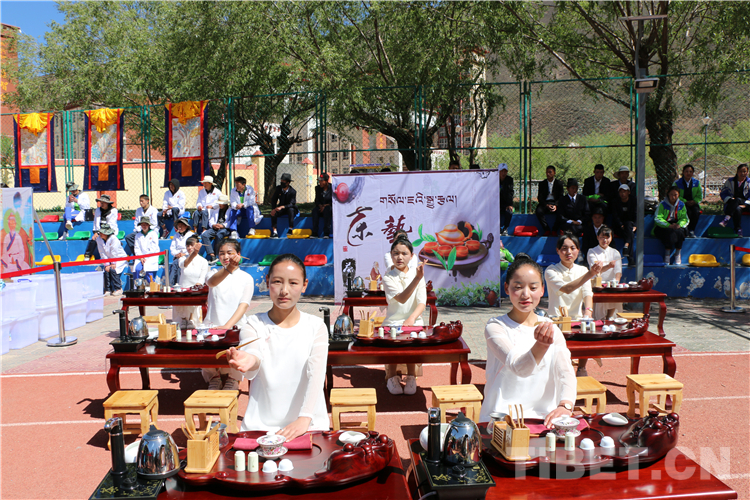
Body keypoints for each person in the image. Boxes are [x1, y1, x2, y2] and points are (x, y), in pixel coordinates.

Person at [226, 254, 328, 439]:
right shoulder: (253, 324)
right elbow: (254, 353)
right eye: (277, 282)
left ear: (304, 285)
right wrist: (248, 359)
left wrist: (304, 418)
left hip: (309, 425)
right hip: (261, 427)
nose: (284, 290)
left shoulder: (316, 326)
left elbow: (317, 375)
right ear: (267, 281)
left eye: (293, 283)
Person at [479, 256, 576, 426]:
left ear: (542, 290)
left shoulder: (551, 328)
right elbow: (519, 367)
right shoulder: (496, 327)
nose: (526, 294)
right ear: (506, 288)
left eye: (533, 287)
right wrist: (541, 345)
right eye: (518, 287)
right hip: (502, 419)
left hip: (545, 419)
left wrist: (565, 405)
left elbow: (566, 372)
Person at [545, 233, 604, 377]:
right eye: (564, 248)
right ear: (558, 251)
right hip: (557, 320)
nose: (569, 252)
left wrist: (588, 312)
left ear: (578, 250)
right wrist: (591, 274)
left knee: (588, 332)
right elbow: (567, 289)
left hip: (577, 318)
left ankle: (582, 367)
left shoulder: (582, 270)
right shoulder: (551, 271)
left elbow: (587, 293)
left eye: (573, 248)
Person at [204, 238, 254, 391]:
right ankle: (214, 377)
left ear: (238, 254)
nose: (225, 256)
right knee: (207, 351)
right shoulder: (213, 273)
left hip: (235, 325)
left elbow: (243, 305)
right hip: (212, 323)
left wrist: (227, 326)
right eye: (221, 253)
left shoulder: (246, 278)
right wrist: (229, 268)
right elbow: (212, 283)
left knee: (237, 350)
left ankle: (233, 379)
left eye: (229, 253)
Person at [382, 236, 427, 395]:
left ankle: (411, 376)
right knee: (393, 344)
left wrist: (412, 318)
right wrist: (417, 279)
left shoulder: (418, 274)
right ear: (391, 255)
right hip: (393, 321)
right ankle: (391, 377)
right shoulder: (388, 276)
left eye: (404, 253)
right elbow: (401, 298)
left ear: (412, 256)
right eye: (395, 253)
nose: (399, 257)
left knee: (412, 344)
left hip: (414, 320)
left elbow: (422, 302)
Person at [586, 226, 622, 320]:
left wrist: (616, 282)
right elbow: (595, 270)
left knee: (614, 295)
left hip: (611, 285)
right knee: (598, 316)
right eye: (602, 237)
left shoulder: (615, 252)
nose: (605, 240)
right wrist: (608, 266)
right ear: (597, 237)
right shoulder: (592, 252)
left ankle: (610, 316)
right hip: (598, 285)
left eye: (607, 237)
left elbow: (618, 271)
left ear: (611, 238)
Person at [172, 236, 209, 325]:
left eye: (192, 245)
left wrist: (197, 287)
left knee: (194, 311)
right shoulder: (182, 258)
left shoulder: (203, 261)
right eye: (187, 245)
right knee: (181, 309)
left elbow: (202, 277)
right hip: (183, 289)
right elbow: (184, 264)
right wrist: (194, 253)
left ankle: (192, 319)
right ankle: (183, 320)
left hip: (196, 290)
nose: (189, 248)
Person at [653, 185, 689, 265]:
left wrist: (679, 225)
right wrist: (668, 225)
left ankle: (677, 253)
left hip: (676, 224)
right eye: (671, 194)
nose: (673, 197)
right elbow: (657, 218)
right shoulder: (662, 204)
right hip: (664, 226)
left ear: (678, 195)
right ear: (668, 194)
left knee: (680, 232)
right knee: (669, 232)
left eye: (675, 195)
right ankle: (667, 253)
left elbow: (685, 218)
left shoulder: (681, 205)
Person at [201, 195, 238, 264]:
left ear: (225, 204)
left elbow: (231, 221)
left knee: (219, 234)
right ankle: (212, 256)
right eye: (219, 203)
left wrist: (223, 226)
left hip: (225, 229)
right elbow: (211, 220)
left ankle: (217, 254)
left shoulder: (231, 210)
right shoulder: (216, 210)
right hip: (215, 228)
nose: (220, 205)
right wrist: (213, 225)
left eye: (221, 204)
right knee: (204, 235)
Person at [96, 223, 128, 296]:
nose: (100, 234)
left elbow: (114, 252)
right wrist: (107, 264)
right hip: (108, 259)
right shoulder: (99, 239)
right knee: (106, 269)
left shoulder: (114, 239)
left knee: (113, 269)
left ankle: (118, 288)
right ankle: (108, 289)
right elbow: (102, 252)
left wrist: (113, 263)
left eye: (102, 232)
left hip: (120, 258)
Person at [718, 163, 749, 238]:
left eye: (744, 171)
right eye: (740, 171)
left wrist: (745, 205)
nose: (742, 173)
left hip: (746, 204)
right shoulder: (730, 181)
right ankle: (738, 229)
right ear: (737, 172)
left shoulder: (749, 182)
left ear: (747, 172)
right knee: (737, 208)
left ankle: (726, 218)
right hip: (732, 204)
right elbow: (723, 193)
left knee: (738, 199)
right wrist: (729, 199)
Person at [84, 194, 119, 260]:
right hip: (99, 231)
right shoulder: (97, 210)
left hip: (110, 231)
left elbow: (111, 224)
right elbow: (95, 222)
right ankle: (87, 255)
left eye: (103, 203)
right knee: (94, 239)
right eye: (101, 202)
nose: (101, 204)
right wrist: (96, 232)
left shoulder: (113, 211)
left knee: (110, 240)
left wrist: (102, 232)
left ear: (107, 203)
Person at [673, 164, 702, 238]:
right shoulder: (677, 183)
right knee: (687, 212)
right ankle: (685, 229)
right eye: (686, 171)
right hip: (681, 203)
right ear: (683, 172)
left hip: (693, 203)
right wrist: (685, 201)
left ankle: (691, 230)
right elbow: (675, 195)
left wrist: (694, 201)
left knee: (696, 212)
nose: (688, 173)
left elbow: (699, 196)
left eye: (690, 171)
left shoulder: (697, 183)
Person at [611, 184, 637, 261]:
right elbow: (615, 216)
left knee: (629, 227)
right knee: (630, 233)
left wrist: (635, 225)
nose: (623, 193)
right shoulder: (615, 202)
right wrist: (620, 225)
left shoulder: (633, 201)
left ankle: (627, 246)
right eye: (621, 192)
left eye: (624, 191)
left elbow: (636, 214)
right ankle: (630, 257)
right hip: (619, 227)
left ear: (629, 192)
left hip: (630, 226)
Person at [535, 165, 564, 234]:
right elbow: (540, 197)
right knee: (538, 211)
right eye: (547, 172)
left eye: (550, 172)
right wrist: (546, 205)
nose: (548, 174)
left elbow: (561, 197)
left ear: (554, 173)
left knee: (562, 211)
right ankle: (546, 229)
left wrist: (556, 205)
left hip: (555, 202)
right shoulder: (542, 184)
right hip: (545, 203)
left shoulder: (559, 183)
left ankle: (554, 229)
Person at [270, 173, 298, 238]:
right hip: (281, 208)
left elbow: (292, 203)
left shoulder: (292, 191)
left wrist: (283, 206)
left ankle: (290, 229)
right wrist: (273, 209)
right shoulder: (278, 189)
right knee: (273, 213)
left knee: (291, 210)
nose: (282, 182)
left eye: (284, 181)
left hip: (289, 207)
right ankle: (275, 232)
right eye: (281, 181)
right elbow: (274, 200)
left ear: (288, 183)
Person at [133, 216, 160, 284]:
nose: (144, 226)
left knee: (148, 271)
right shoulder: (138, 235)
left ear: (148, 225)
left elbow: (154, 247)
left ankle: (152, 286)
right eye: (142, 225)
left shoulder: (153, 234)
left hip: (151, 257)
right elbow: (137, 247)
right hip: (141, 257)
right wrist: (141, 257)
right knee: (137, 269)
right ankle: (137, 287)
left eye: (145, 224)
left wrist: (146, 257)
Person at [168, 217, 194, 286]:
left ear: (186, 226)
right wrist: (177, 254)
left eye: (181, 226)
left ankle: (180, 285)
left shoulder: (191, 235)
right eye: (178, 226)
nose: (179, 228)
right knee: (174, 265)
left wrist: (184, 254)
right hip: (178, 256)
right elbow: (172, 248)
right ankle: (170, 285)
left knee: (181, 268)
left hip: (188, 257)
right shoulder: (176, 235)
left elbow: (192, 248)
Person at [312, 173, 333, 238]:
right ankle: (315, 233)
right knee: (315, 211)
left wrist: (326, 205)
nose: (320, 182)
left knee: (327, 210)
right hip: (320, 207)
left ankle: (326, 233)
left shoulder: (332, 188)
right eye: (319, 181)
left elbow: (334, 200)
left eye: (322, 181)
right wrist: (320, 206)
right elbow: (316, 200)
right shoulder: (317, 188)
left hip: (329, 207)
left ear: (326, 181)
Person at [498, 163, 514, 235]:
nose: (503, 173)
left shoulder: (509, 180)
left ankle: (505, 228)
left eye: (505, 171)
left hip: (505, 203)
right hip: (496, 203)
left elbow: (510, 192)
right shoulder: (494, 179)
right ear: (498, 172)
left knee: (509, 211)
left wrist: (509, 204)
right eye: (502, 171)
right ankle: (497, 228)